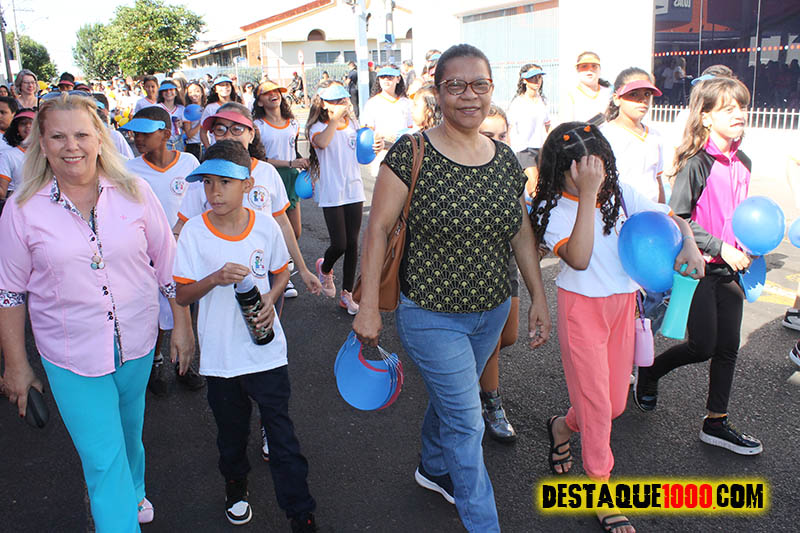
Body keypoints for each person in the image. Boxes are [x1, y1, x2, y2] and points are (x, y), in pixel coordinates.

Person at [353, 44, 551, 532]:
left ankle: (433, 466)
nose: (469, 95)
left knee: (453, 398)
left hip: (490, 312)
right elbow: (377, 229)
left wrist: (538, 297)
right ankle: (484, 523)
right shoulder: (411, 152)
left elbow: (520, 233)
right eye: (456, 85)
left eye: (479, 84)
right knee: (467, 421)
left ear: (491, 89)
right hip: (430, 314)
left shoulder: (504, 159)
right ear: (437, 92)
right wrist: (368, 307)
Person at [0, 93, 194, 531]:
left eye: (82, 135)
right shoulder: (22, 209)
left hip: (138, 342)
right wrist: (16, 365)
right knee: (104, 460)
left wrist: (181, 325)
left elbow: (167, 265)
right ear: (42, 144)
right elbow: (9, 293)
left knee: (128, 433)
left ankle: (135, 490)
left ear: (99, 139)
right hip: (70, 355)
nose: (72, 146)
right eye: (58, 137)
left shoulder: (135, 191)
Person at [531, 122, 703, 533]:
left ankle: (561, 426)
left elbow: (672, 219)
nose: (598, 176)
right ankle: (600, 487)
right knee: (596, 405)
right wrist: (588, 196)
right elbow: (579, 258)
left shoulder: (620, 193)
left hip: (623, 307)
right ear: (562, 171)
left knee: (613, 406)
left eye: (602, 167)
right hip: (581, 310)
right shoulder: (550, 208)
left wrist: (690, 243)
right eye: (586, 170)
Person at [173, 140, 317, 531]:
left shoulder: (265, 225)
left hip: (266, 351)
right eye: (208, 182)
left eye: (225, 182)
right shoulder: (195, 233)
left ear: (247, 184)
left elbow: (281, 270)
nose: (215, 192)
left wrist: (270, 297)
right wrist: (214, 278)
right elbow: (182, 294)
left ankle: (301, 513)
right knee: (231, 434)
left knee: (282, 434)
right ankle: (235, 485)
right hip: (221, 358)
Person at [634, 77, 764, 456]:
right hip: (699, 269)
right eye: (728, 108)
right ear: (706, 117)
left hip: (731, 270)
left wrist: (748, 245)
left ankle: (716, 422)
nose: (739, 114)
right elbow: (679, 217)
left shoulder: (743, 162)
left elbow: (739, 214)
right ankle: (651, 371)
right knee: (703, 346)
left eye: (742, 107)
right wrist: (721, 247)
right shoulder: (697, 163)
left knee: (728, 348)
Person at [120, 106, 204, 395]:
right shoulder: (129, 170)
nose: (137, 138)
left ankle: (184, 362)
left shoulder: (189, 162)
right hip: (147, 256)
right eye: (135, 133)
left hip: (185, 252)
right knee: (153, 312)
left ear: (167, 134)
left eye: (145, 133)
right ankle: (154, 363)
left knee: (186, 308)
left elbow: (199, 204)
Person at [475, 104, 521, 442]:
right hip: (474, 269)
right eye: (488, 134)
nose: (496, 141)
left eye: (502, 135)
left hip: (506, 262)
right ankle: (491, 403)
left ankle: (469, 370)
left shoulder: (508, 166)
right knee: (490, 342)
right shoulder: (461, 167)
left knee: (509, 336)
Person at [307, 82, 364, 314]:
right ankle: (325, 267)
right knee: (339, 243)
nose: (341, 104)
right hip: (332, 191)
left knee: (352, 244)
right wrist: (334, 119)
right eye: (334, 101)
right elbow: (322, 143)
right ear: (323, 104)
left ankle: (347, 294)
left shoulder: (354, 124)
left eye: (343, 100)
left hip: (354, 189)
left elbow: (361, 154)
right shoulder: (317, 127)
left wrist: (374, 145)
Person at [252, 79, 309, 300]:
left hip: (291, 178)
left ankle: (284, 265)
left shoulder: (292, 123)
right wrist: (289, 163)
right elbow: (260, 158)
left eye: (276, 91)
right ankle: (281, 276)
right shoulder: (258, 126)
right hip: (270, 176)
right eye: (266, 93)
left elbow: (292, 150)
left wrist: (301, 164)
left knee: (294, 231)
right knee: (274, 230)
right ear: (259, 101)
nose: (273, 95)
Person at [362, 66, 413, 178]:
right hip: (382, 154)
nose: (386, 80)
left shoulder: (406, 103)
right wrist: (382, 138)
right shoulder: (372, 103)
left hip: (403, 152)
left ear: (398, 79)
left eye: (390, 77)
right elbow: (367, 133)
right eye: (382, 77)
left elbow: (411, 128)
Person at [507, 63, 551, 155]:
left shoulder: (543, 101)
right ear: (524, 80)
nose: (537, 80)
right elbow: (508, 129)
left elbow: (548, 125)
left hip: (541, 150)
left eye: (539, 77)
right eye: (533, 77)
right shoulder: (517, 103)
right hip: (523, 150)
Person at [562, 52, 612, 123]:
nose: (590, 70)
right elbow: (567, 126)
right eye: (584, 66)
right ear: (577, 70)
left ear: (599, 70)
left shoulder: (610, 93)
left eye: (594, 66)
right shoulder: (570, 95)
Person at [0, 109, 35, 202]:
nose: (28, 126)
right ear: (17, 130)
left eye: (32, 123)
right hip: (20, 204)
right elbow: (2, 192)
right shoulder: (8, 155)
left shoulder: (49, 153)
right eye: (23, 123)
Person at [200, 76, 242, 149]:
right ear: (215, 89)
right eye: (221, 85)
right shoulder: (210, 108)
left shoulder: (238, 106)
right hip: (217, 148)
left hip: (236, 147)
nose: (225, 87)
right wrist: (209, 149)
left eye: (227, 85)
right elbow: (203, 132)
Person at [92, 92, 134, 160]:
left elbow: (129, 161)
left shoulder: (115, 136)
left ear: (107, 110)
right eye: (91, 108)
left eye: (99, 108)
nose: (95, 112)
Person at [156, 80, 185, 151]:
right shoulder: (157, 108)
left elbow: (187, 128)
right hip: (163, 142)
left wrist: (182, 125)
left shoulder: (181, 108)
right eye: (165, 90)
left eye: (171, 89)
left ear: (176, 92)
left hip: (178, 142)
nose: (168, 92)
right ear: (161, 93)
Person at [182, 80, 207, 160]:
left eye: (197, 91)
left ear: (202, 93)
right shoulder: (187, 111)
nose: (194, 94)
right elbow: (189, 134)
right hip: (194, 146)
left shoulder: (207, 108)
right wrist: (201, 122)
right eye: (190, 92)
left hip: (206, 144)